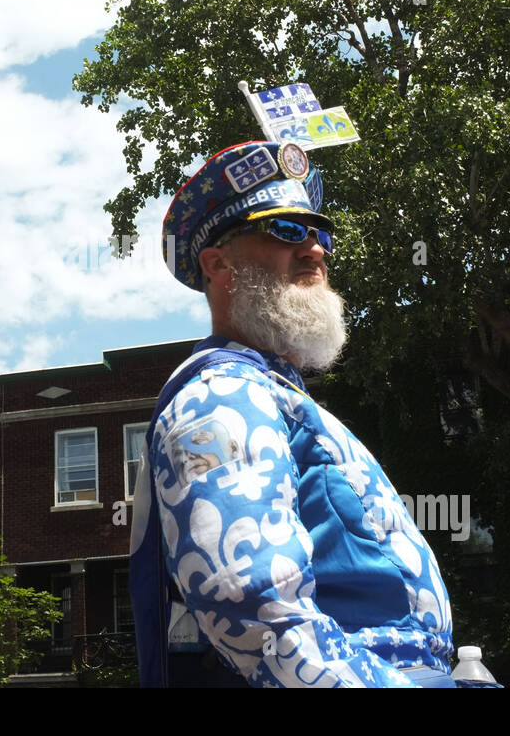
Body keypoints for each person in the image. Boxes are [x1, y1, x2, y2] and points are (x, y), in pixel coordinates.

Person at [130, 140, 455, 687]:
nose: (315, 250)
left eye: (319, 233)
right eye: (285, 230)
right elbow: (257, 611)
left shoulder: (269, 389)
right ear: (219, 265)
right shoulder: (221, 392)